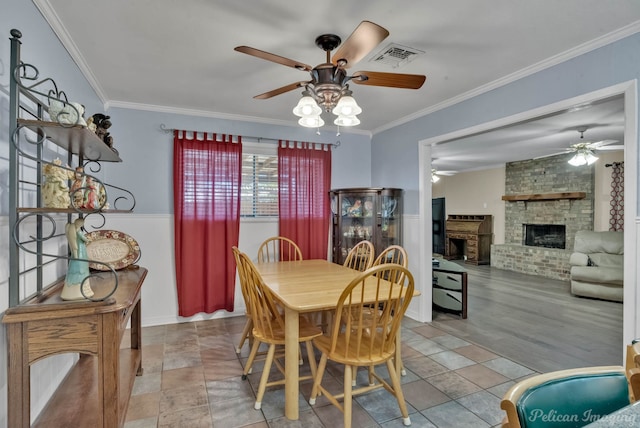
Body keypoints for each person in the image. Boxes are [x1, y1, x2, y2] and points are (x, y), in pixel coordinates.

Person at [61, 218, 94, 300]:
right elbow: (84, 238)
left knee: (79, 265)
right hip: (80, 251)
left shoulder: (74, 229)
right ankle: (77, 290)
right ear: (80, 224)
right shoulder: (78, 231)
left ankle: (76, 290)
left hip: (79, 250)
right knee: (80, 266)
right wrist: (89, 239)